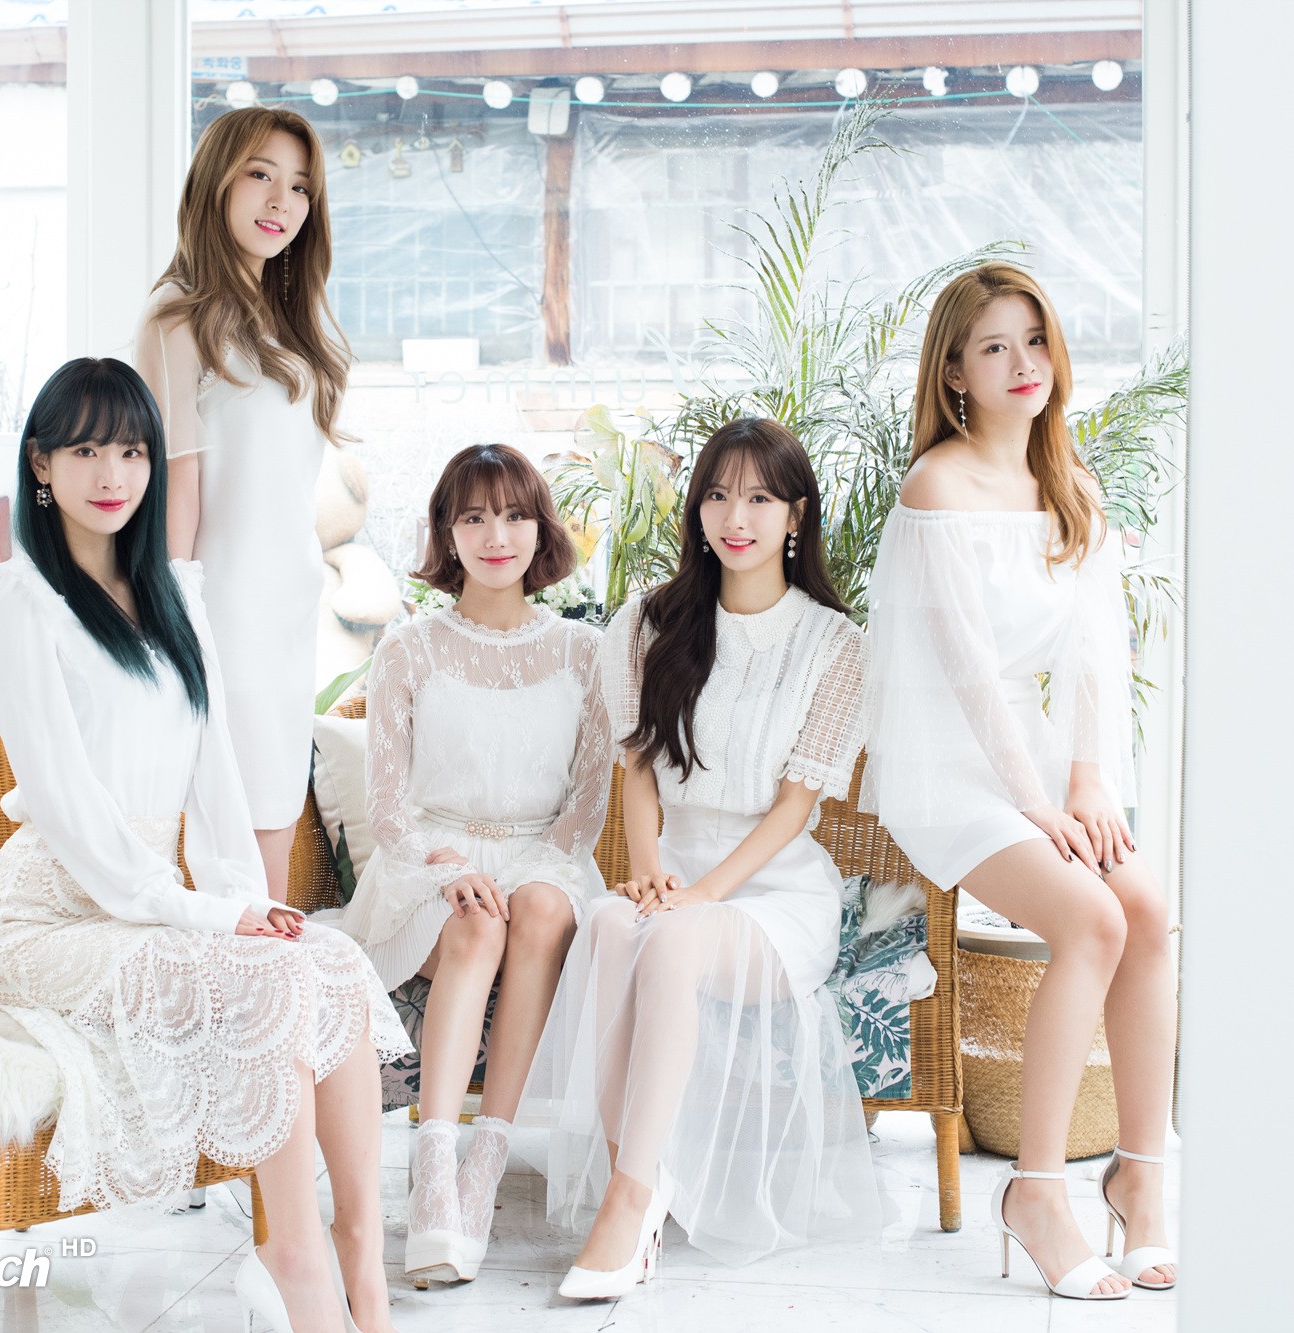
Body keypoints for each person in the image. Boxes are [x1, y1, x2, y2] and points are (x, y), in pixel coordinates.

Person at [0, 358, 408, 1332]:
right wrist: (206, 914)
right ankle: (293, 1261)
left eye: (131, 450)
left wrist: (245, 901)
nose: (111, 473)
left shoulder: (173, 593)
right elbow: (66, 807)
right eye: (85, 449)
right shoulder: (17, 603)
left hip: (150, 900)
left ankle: (362, 1269)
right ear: (40, 464)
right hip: (50, 913)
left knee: (326, 959)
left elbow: (214, 782)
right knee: (268, 976)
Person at [857, 262, 1178, 1300]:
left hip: (1036, 760)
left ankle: (1140, 1173)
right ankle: (1037, 1191)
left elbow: (1095, 652)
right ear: (953, 370)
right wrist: (1033, 804)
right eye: (993, 346)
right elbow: (962, 670)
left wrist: (1086, 782)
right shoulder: (936, 486)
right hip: (946, 763)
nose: (1022, 362)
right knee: (1091, 918)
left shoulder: (1068, 483)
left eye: (1033, 339)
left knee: (1146, 909)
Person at [528, 417, 882, 1298]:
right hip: (674, 870)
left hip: (774, 891)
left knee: (672, 937)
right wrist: (652, 873)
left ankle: (627, 1202)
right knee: (610, 925)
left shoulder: (836, 645)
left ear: (796, 514)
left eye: (760, 497)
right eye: (718, 495)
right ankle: (639, 1181)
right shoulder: (649, 623)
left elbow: (796, 804)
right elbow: (639, 770)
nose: (736, 516)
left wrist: (704, 895)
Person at [334, 444, 609, 1287]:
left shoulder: (582, 652)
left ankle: (484, 1164)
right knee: (477, 919)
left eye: (516, 515)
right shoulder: (408, 648)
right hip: (430, 859)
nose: (498, 535)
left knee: (540, 908)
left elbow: (587, 805)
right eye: (475, 516)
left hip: (543, 855)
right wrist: (442, 863)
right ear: (447, 532)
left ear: (542, 529)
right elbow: (387, 808)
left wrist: (533, 870)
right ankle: (434, 1169)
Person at [134, 105, 352, 900]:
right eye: (260, 174)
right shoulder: (178, 318)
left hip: (290, 605)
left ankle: (270, 972)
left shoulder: (293, 325)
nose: (280, 201)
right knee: (236, 843)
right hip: (220, 608)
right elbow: (176, 489)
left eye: (299, 186)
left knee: (274, 814)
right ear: (217, 181)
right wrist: (172, 623)